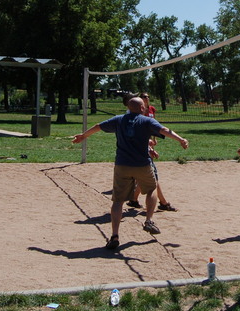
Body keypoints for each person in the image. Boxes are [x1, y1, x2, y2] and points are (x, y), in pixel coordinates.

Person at [72, 96, 189, 250]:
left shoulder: (118, 119)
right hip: (142, 164)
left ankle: (114, 236)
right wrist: (181, 139)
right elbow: (165, 130)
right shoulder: (147, 121)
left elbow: (98, 126)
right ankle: (148, 221)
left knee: (118, 201)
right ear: (142, 108)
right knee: (152, 188)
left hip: (122, 165)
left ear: (128, 107)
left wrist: (83, 136)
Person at [128, 92, 177, 212]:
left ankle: (134, 199)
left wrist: (152, 141)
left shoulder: (150, 110)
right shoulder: (134, 115)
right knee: (151, 176)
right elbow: (136, 132)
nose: (147, 98)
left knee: (146, 174)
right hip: (141, 146)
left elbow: (154, 126)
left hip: (144, 145)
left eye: (148, 97)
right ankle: (163, 203)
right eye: (144, 97)